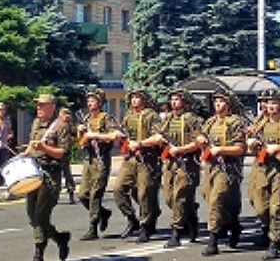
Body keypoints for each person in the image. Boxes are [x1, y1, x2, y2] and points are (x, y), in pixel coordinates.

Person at [246, 89, 280, 259]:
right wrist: (251, 142)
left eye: (274, 103)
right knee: (260, 205)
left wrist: (278, 148)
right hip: (261, 167)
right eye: (268, 102)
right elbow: (249, 138)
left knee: (276, 207)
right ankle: (277, 230)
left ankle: (275, 243)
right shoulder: (260, 123)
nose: (270, 106)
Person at [22, 92, 72, 261]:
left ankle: (38, 258)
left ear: (52, 107)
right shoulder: (36, 123)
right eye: (37, 105)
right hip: (34, 173)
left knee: (41, 216)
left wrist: (44, 148)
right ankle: (59, 238)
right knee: (32, 216)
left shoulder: (60, 126)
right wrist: (26, 153)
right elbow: (32, 143)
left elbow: (63, 153)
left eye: (42, 105)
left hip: (51, 175)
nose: (38, 108)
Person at [197, 89, 245, 256]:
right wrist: (201, 141)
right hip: (211, 166)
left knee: (217, 199)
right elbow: (201, 137)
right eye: (215, 101)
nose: (217, 104)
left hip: (228, 167)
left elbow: (240, 148)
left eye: (221, 101)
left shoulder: (235, 122)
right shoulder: (210, 122)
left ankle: (213, 240)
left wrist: (221, 150)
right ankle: (233, 224)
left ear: (228, 104)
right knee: (208, 196)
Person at [114, 89, 163, 242]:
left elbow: (159, 137)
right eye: (132, 98)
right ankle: (131, 218)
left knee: (144, 193)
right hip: (130, 159)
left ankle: (145, 226)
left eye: (137, 97)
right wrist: (120, 137)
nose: (134, 100)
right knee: (118, 189)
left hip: (147, 158)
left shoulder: (151, 116)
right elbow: (124, 133)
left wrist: (141, 143)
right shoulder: (128, 115)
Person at [160, 89, 203, 248]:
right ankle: (191, 215)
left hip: (187, 162)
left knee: (179, 197)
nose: (174, 102)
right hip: (171, 163)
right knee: (169, 197)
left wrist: (181, 150)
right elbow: (162, 135)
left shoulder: (192, 119)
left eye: (177, 99)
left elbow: (199, 142)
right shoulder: (169, 119)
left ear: (184, 102)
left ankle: (176, 233)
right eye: (172, 99)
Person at [75, 89, 118, 240]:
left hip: (101, 158)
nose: (90, 103)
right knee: (82, 195)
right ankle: (103, 213)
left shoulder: (106, 118)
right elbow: (80, 143)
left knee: (96, 193)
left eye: (93, 100)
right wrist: (80, 132)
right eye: (89, 100)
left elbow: (114, 135)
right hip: (89, 159)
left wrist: (95, 135)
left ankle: (93, 227)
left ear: (100, 102)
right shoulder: (86, 119)